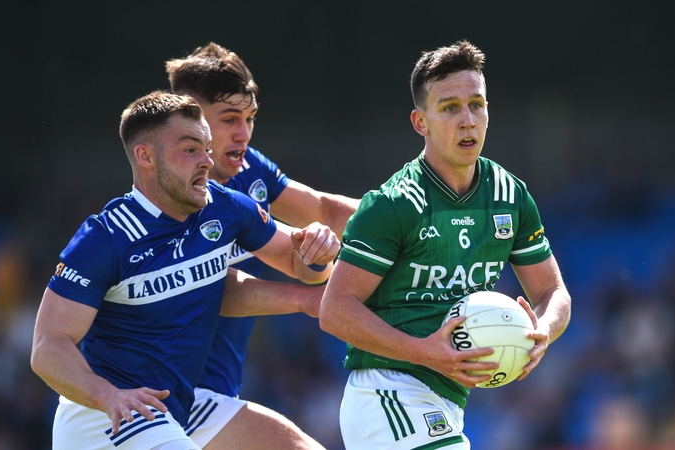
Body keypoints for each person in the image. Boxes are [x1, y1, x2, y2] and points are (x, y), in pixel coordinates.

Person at [30, 91, 341, 450]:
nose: (207, 161)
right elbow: (47, 347)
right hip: (107, 415)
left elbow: (298, 262)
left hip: (178, 406)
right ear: (145, 156)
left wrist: (318, 248)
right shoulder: (105, 238)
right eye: (191, 149)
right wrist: (109, 396)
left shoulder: (224, 207)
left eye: (207, 148)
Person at [319, 40, 572, 449]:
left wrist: (543, 330)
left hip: (445, 403)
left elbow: (552, 291)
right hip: (387, 395)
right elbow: (334, 311)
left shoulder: (510, 196)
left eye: (477, 104)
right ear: (421, 122)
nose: (468, 120)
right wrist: (422, 351)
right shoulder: (394, 205)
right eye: (450, 108)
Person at [164, 43, 360, 450]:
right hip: (167, 394)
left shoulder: (249, 169)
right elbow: (216, 288)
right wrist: (306, 296)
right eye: (230, 119)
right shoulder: (168, 196)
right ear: (188, 121)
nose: (244, 133)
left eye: (249, 118)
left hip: (214, 396)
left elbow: (321, 211)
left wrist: (415, 216)